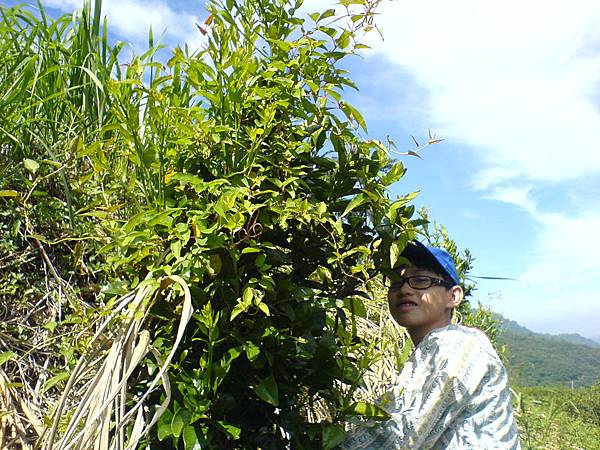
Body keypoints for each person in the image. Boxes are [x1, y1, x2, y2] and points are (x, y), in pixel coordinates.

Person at [340, 240, 520, 449]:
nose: (405, 289)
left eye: (420, 280)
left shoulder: (457, 345)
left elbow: (396, 438)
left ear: (453, 296)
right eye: (397, 282)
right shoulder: (435, 349)